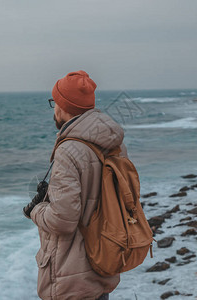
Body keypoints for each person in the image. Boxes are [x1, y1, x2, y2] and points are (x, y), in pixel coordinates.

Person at [24, 70, 128, 299]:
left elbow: (63, 221)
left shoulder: (68, 152)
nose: (54, 109)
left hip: (71, 278)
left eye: (55, 102)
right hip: (102, 263)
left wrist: (36, 210)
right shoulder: (113, 143)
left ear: (63, 106)